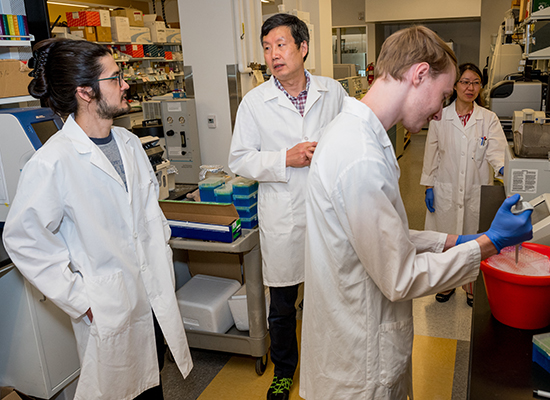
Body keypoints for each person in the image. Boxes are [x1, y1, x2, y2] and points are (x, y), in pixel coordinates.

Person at [300, 26, 533, 399]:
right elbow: (400, 277)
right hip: (360, 361)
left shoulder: (353, 134)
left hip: (356, 340)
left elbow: (376, 236)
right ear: (419, 74)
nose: (439, 111)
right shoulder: (361, 157)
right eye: (442, 96)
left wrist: (453, 241)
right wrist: (488, 244)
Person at [2, 38, 193, 400]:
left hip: (151, 296)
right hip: (108, 305)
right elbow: (24, 239)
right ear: (85, 92)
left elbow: (148, 211)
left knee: (154, 379)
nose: (125, 85)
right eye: (116, 78)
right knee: (120, 389)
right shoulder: (52, 162)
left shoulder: (129, 143)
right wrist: (80, 298)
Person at [228, 13, 346, 400]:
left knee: (328, 297)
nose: (273, 54)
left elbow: (352, 140)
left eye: (280, 44)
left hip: (327, 212)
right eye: (266, 48)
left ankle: (326, 364)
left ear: (302, 47)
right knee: (281, 305)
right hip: (283, 215)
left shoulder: (334, 92)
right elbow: (240, 159)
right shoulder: (254, 102)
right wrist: (284, 159)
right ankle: (284, 370)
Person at [421, 63, 507, 307]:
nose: (470, 88)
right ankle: (447, 285)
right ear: (455, 85)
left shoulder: (487, 119)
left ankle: (470, 287)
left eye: (476, 82)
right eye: (465, 82)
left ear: (481, 86)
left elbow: (496, 152)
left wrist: (504, 171)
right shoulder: (440, 115)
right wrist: (428, 185)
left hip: (474, 188)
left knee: (472, 242)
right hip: (445, 187)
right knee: (446, 240)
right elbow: (432, 152)